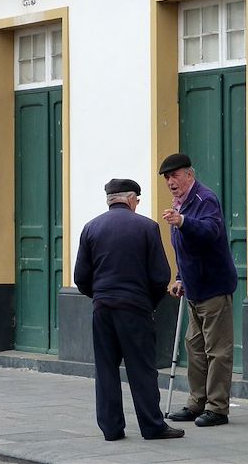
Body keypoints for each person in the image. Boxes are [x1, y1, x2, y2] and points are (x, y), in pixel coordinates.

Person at [74, 178, 185, 441]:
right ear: (132, 198)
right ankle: (152, 426)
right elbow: (160, 276)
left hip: (102, 308)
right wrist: (147, 303)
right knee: (142, 369)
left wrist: (100, 296)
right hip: (135, 308)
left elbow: (81, 277)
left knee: (106, 369)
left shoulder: (91, 228)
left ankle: (111, 429)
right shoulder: (147, 227)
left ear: (110, 199)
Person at [159, 153, 237, 428]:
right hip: (194, 290)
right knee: (195, 348)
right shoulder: (181, 204)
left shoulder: (205, 200)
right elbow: (184, 251)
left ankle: (217, 408)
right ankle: (196, 402)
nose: (170, 181)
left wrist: (183, 222)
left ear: (189, 175)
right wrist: (180, 277)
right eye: (167, 178)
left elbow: (210, 232)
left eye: (175, 175)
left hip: (214, 288)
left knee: (217, 351)